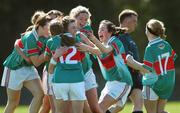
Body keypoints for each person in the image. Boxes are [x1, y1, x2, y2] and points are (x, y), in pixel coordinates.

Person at [77, 20, 133, 113]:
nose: (99, 32)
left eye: (102, 29)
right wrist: (84, 37)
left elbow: (105, 50)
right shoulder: (101, 45)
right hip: (110, 84)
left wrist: (91, 41)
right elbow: (96, 49)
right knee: (98, 110)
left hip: (121, 82)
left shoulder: (115, 41)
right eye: (99, 30)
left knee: (100, 108)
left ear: (110, 32)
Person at [1, 14, 51, 113]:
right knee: (13, 103)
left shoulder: (45, 37)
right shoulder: (30, 37)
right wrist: (48, 52)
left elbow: (30, 60)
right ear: (40, 26)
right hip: (14, 68)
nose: (50, 30)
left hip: (28, 68)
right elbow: (36, 62)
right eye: (48, 27)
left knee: (40, 94)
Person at [126, 19, 177, 113]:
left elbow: (147, 69)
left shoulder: (150, 48)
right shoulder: (166, 44)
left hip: (153, 84)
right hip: (168, 83)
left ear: (149, 31)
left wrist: (131, 61)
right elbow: (173, 58)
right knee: (160, 111)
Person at [106, 9, 143, 113]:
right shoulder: (119, 37)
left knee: (138, 104)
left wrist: (139, 71)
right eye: (134, 21)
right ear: (126, 22)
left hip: (135, 76)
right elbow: (126, 60)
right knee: (119, 107)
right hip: (125, 77)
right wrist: (143, 68)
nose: (136, 23)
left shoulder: (128, 37)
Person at [48, 16, 86, 113]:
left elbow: (51, 66)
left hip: (60, 79)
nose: (76, 29)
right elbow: (83, 59)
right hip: (77, 79)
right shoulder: (78, 40)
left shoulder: (55, 40)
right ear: (67, 29)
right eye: (73, 27)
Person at [70, 5, 103, 113]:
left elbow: (97, 51)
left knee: (94, 107)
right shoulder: (66, 31)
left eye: (86, 19)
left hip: (86, 71)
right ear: (73, 18)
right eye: (81, 19)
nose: (83, 22)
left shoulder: (87, 31)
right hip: (72, 73)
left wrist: (86, 48)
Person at [40, 10, 64, 113]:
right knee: (47, 104)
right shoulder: (44, 37)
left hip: (59, 71)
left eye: (53, 18)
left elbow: (46, 57)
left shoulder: (54, 39)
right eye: (48, 19)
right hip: (51, 70)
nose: (50, 21)